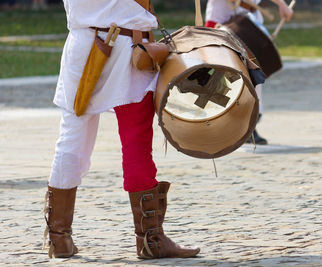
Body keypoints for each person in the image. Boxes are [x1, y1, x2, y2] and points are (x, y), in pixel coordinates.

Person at [43, 0, 200, 259]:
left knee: (73, 137)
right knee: (135, 140)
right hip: (127, 48)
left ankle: (58, 239)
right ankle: (150, 240)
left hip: (85, 43)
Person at [205, 0, 294, 145]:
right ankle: (230, 124)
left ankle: (249, 124)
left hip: (248, 20)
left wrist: (281, 4)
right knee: (224, 73)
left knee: (254, 72)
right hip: (223, 15)